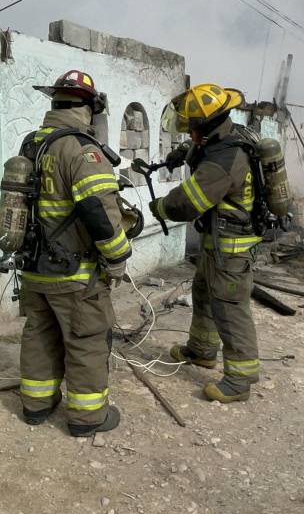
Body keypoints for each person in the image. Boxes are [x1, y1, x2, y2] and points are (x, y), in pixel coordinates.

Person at [16, 70, 131, 437]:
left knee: (40, 333)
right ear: (89, 108)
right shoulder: (82, 149)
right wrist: (117, 259)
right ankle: (87, 417)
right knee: (86, 340)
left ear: (55, 104)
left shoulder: (32, 144)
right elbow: (99, 212)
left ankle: (36, 405)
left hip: (32, 268)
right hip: (74, 273)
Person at [149, 83, 262, 404]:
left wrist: (159, 207)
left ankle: (239, 379)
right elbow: (201, 149)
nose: (190, 133)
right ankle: (201, 351)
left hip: (232, 245)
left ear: (206, 127)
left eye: (192, 129)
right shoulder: (226, 136)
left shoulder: (226, 159)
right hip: (217, 240)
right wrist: (180, 153)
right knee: (204, 291)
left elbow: (187, 203)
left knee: (229, 306)